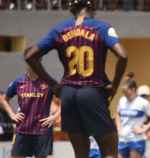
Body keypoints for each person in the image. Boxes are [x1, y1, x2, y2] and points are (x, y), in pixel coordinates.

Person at [24, 0, 128, 157]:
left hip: (68, 94)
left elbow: (31, 56)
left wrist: (53, 84)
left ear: (72, 8)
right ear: (91, 6)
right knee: (109, 150)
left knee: (80, 153)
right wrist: (114, 85)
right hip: (92, 92)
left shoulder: (59, 29)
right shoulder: (102, 27)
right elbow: (123, 55)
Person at [0, 66, 60, 158]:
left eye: (37, 59)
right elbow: (4, 99)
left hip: (42, 131)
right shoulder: (18, 82)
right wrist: (12, 114)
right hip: (22, 130)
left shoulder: (49, 82)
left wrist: (54, 117)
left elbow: (66, 99)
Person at [115, 78, 150, 158]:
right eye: (123, 92)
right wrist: (119, 128)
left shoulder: (143, 102)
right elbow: (117, 114)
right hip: (122, 139)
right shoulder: (122, 100)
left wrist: (145, 128)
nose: (124, 94)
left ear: (133, 89)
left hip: (136, 139)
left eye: (126, 91)